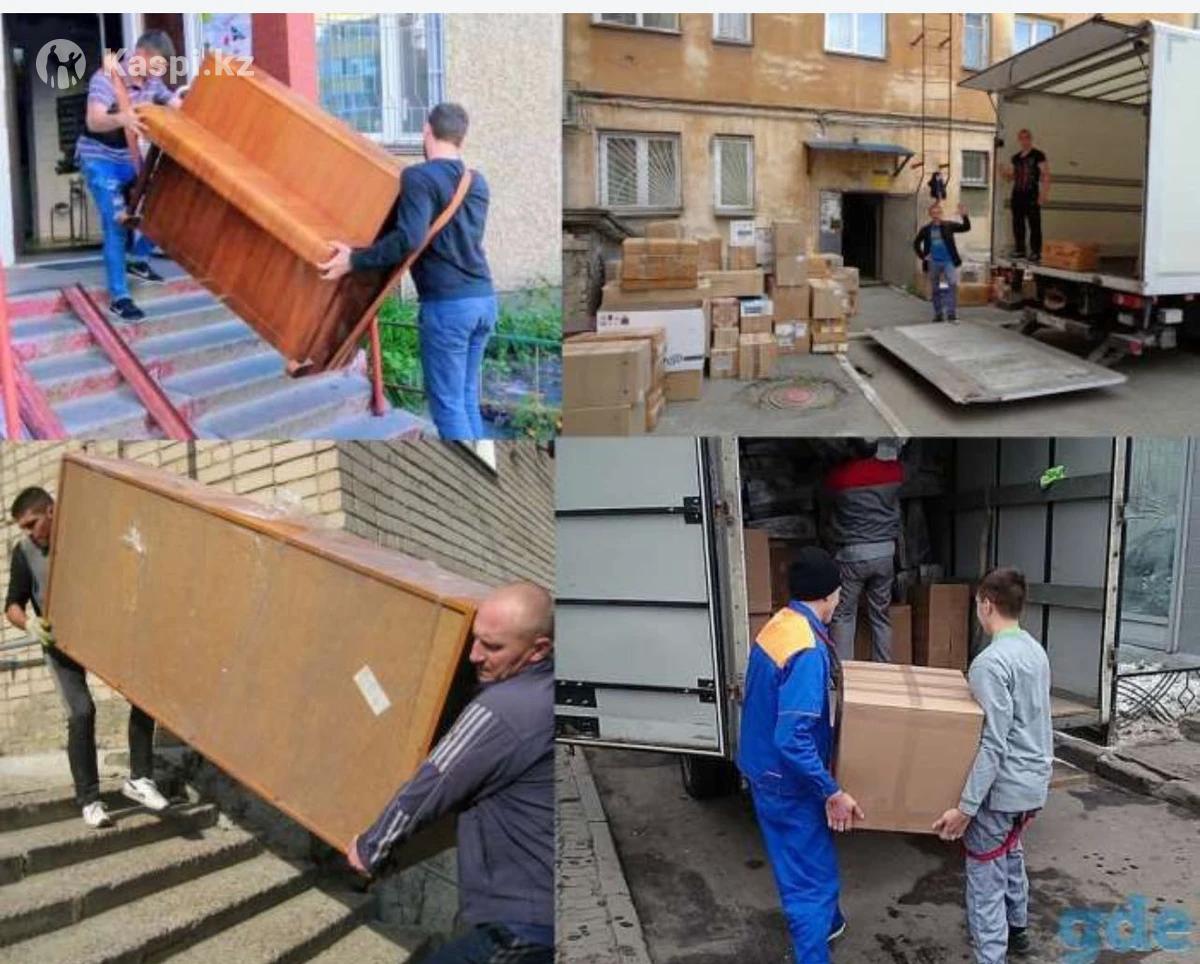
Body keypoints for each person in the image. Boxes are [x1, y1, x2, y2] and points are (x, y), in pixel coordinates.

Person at [347, 583, 554, 963]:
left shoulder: (503, 708)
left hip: (524, 926)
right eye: (475, 639)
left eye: (492, 646)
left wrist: (370, 849)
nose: (474, 654)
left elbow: (431, 785)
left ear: (538, 649)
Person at [319, 103, 496, 441]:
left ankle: (461, 465)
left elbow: (409, 238)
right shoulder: (477, 183)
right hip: (484, 299)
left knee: (448, 406)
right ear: (461, 137)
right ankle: (478, 452)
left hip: (448, 307)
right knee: (465, 398)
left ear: (427, 130)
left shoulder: (418, 177)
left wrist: (354, 260)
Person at [5, 487, 168, 828]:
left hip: (101, 633)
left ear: (51, 511)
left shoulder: (86, 535)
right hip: (59, 643)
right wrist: (30, 624)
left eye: (32, 523)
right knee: (81, 713)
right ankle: (90, 800)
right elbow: (12, 606)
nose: (29, 533)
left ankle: (140, 779)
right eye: (23, 527)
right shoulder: (24, 552)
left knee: (145, 695)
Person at [737, 546, 865, 964]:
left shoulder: (780, 624)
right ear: (829, 594)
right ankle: (812, 951)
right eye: (838, 593)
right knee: (811, 882)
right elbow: (792, 738)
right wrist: (831, 790)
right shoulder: (807, 650)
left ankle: (830, 922)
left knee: (802, 861)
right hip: (787, 782)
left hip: (764, 771)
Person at [932, 568, 1053, 964]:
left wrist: (966, 808)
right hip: (1033, 783)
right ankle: (1018, 928)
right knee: (1011, 850)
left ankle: (991, 955)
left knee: (985, 876)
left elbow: (993, 743)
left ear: (986, 605)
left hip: (1003, 788)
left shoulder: (989, 663)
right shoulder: (1035, 651)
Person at [77, 31, 182, 321]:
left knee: (164, 206)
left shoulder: (152, 82)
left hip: (130, 158)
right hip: (99, 160)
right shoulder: (106, 79)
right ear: (141, 56)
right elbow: (94, 120)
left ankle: (137, 259)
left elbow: (176, 104)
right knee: (117, 223)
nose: (159, 73)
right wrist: (120, 118)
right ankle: (120, 298)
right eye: (157, 65)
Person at [826, 439, 904, 663]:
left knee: (844, 614)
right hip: (885, 552)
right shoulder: (892, 471)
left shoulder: (839, 477)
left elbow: (825, 497)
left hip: (852, 554)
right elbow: (912, 469)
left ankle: (844, 672)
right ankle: (884, 668)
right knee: (881, 614)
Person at [913, 202, 971, 322]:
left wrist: (964, 216)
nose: (936, 215)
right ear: (930, 215)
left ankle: (951, 313)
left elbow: (966, 228)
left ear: (941, 214)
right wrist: (923, 256)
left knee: (952, 284)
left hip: (948, 261)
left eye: (938, 213)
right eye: (933, 213)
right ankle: (938, 314)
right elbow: (916, 243)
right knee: (936, 289)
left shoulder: (948, 225)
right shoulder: (926, 229)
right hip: (933, 262)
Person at [1003, 129, 1049, 263]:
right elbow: (1011, 177)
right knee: (1018, 223)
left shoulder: (1038, 155)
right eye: (1022, 138)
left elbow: (1045, 174)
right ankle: (1020, 249)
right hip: (1017, 193)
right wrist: (1003, 173)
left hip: (1031, 193)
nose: (1025, 141)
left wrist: (1043, 194)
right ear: (1019, 140)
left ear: (1031, 139)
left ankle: (1036, 251)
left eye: (1027, 138)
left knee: (1034, 223)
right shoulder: (1015, 158)